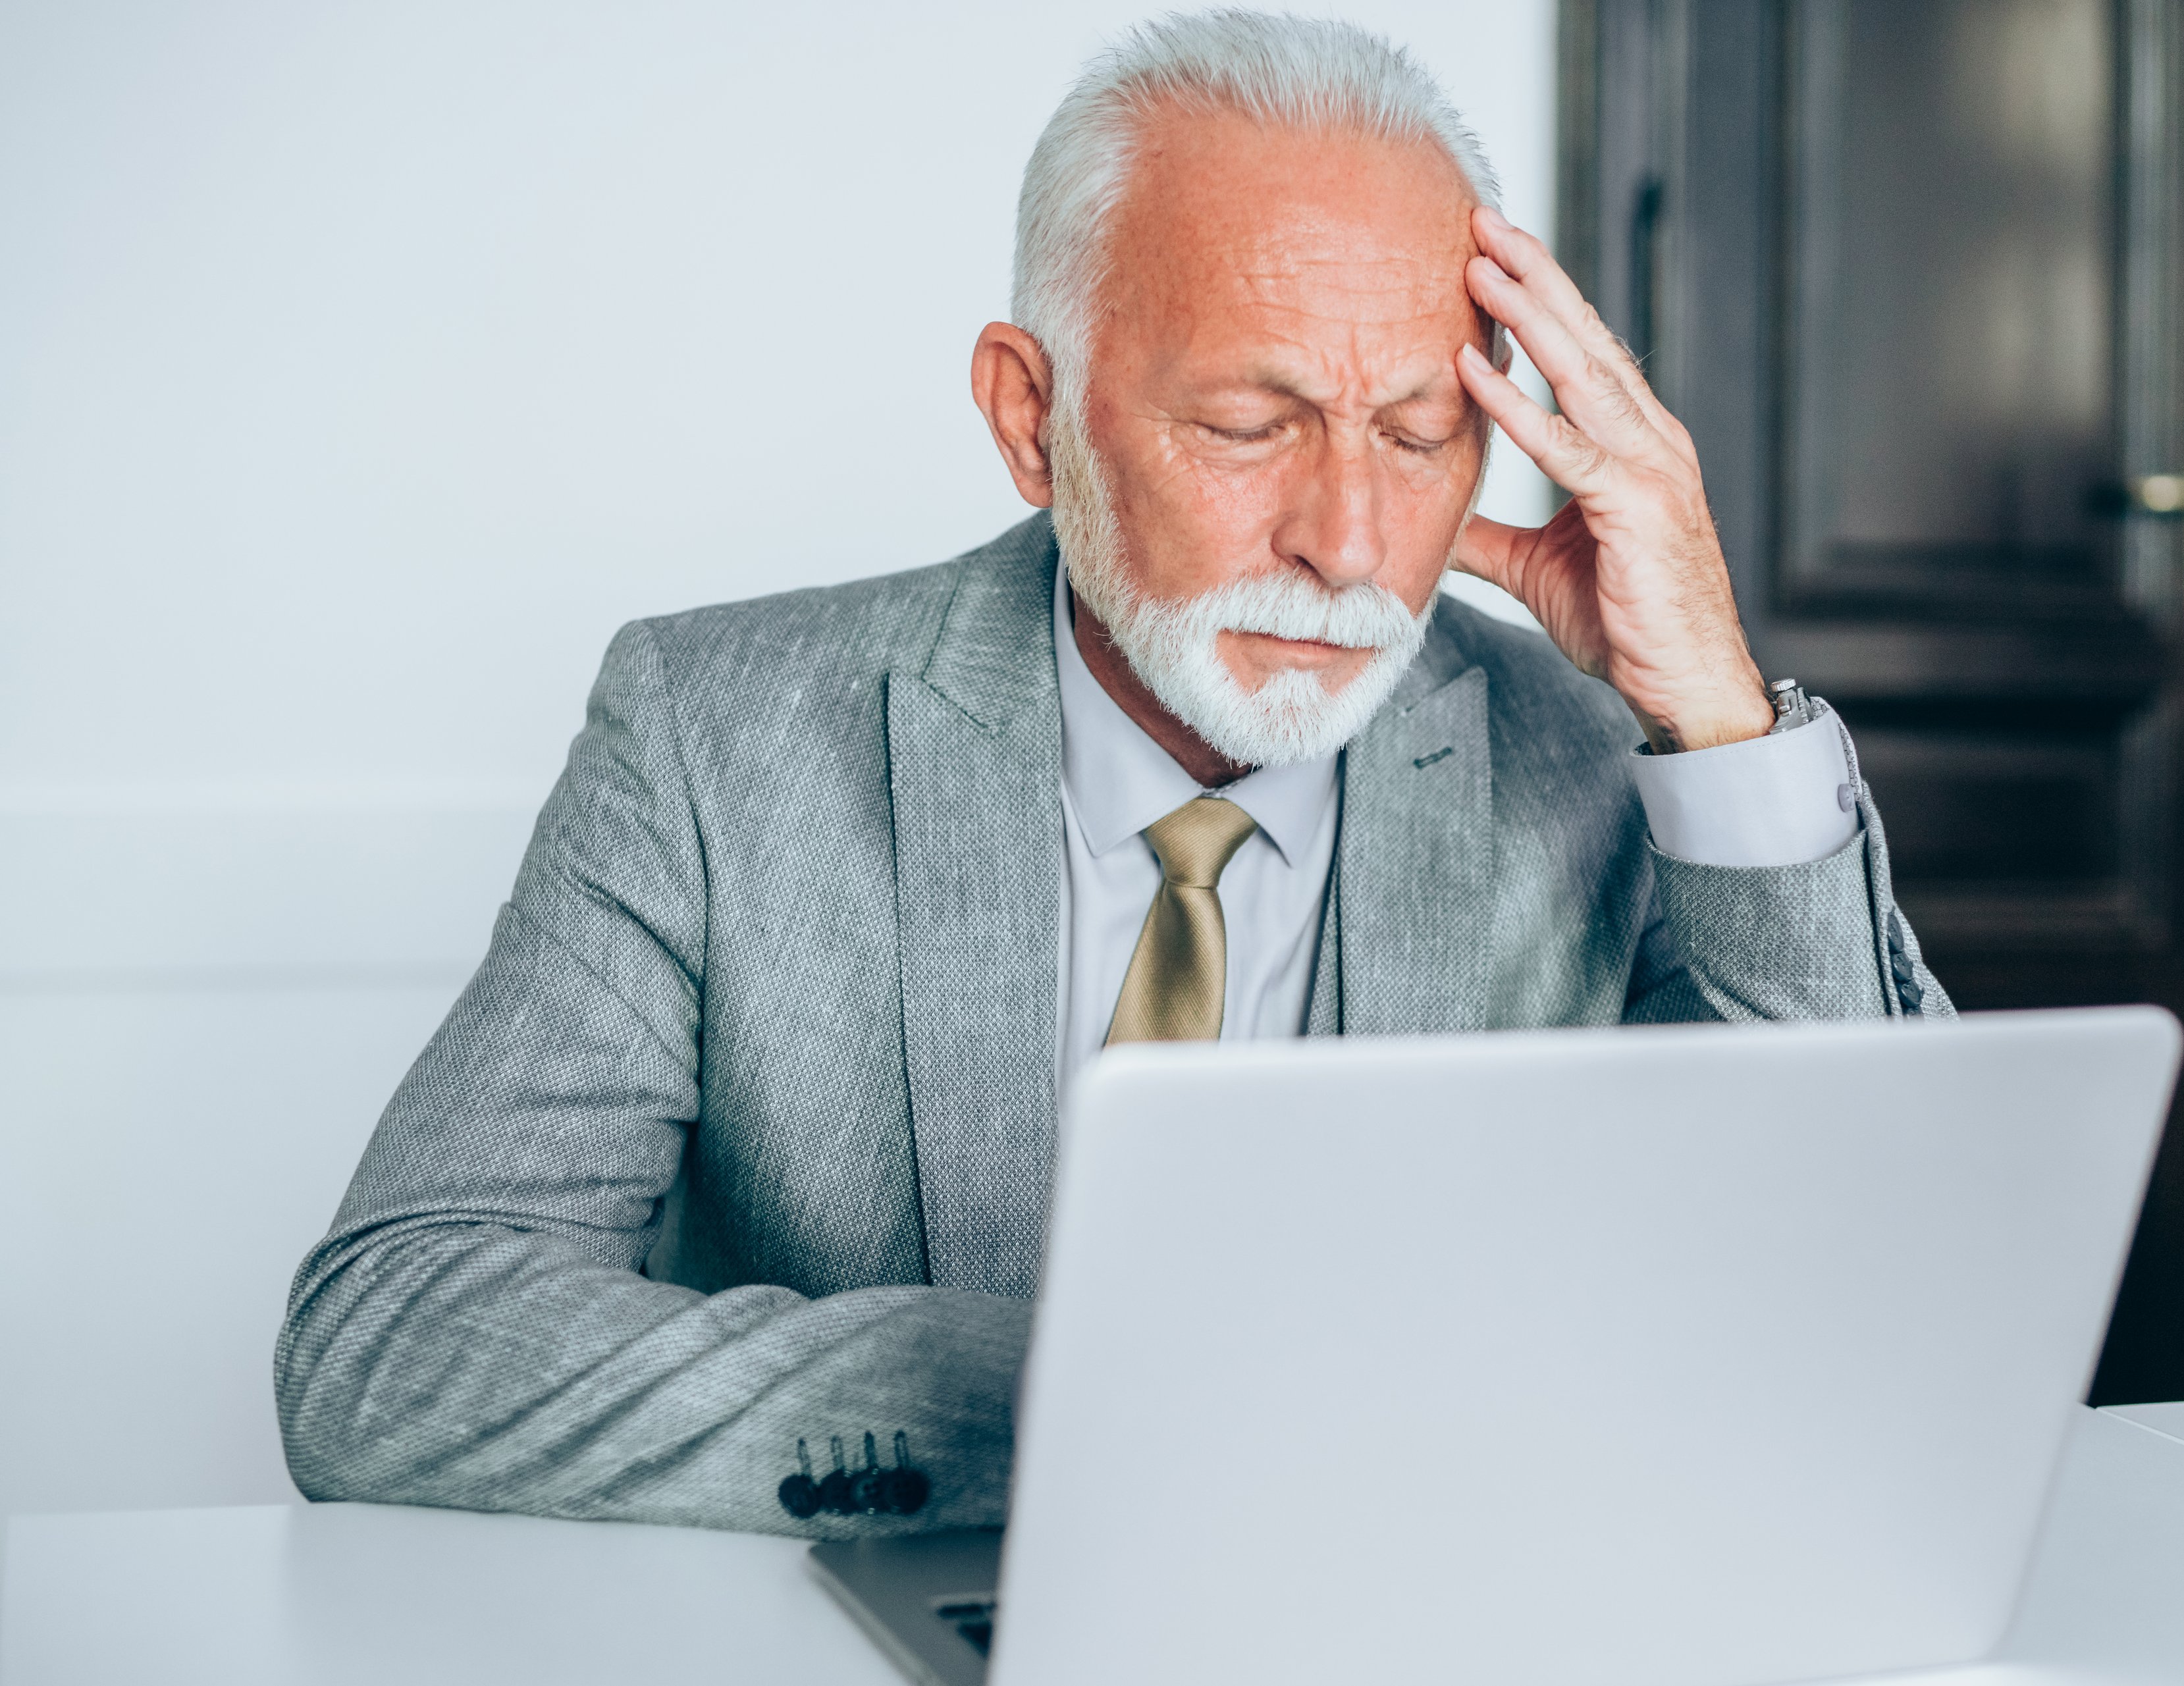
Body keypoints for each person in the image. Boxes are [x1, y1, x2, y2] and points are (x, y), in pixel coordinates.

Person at [275, 10, 1952, 1540]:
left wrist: (1722, 725)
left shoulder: (1620, 766)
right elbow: (392, 1336)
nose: (1350, 546)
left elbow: (1874, 1292)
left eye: (1423, 438)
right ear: (1032, 416)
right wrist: (1073, 1400)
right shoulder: (713, 738)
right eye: (1248, 425)